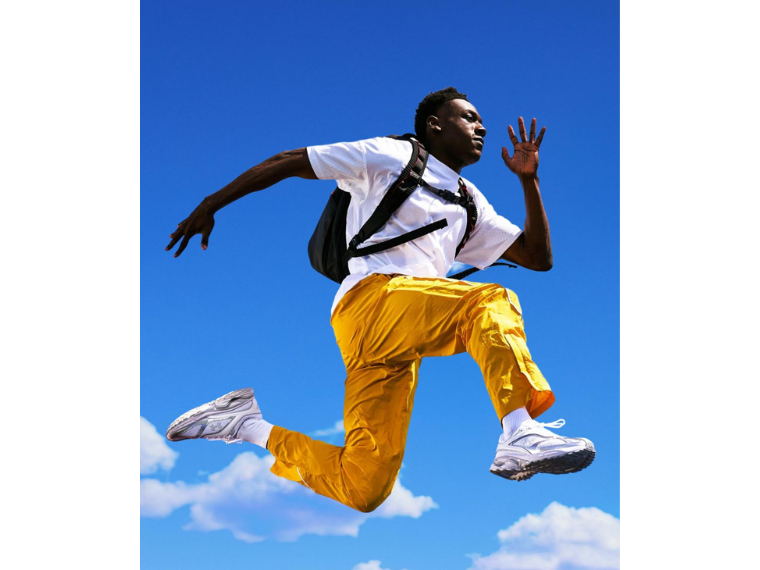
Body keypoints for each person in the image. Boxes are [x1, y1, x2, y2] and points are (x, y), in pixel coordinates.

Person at [165, 87, 595, 513]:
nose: (481, 126)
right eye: (468, 117)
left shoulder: (470, 201)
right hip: (371, 299)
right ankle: (520, 430)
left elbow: (537, 258)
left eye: (481, 120)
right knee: (489, 301)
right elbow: (289, 161)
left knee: (364, 485)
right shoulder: (391, 156)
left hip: (394, 336)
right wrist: (211, 203)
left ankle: (246, 424)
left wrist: (529, 181)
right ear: (434, 125)